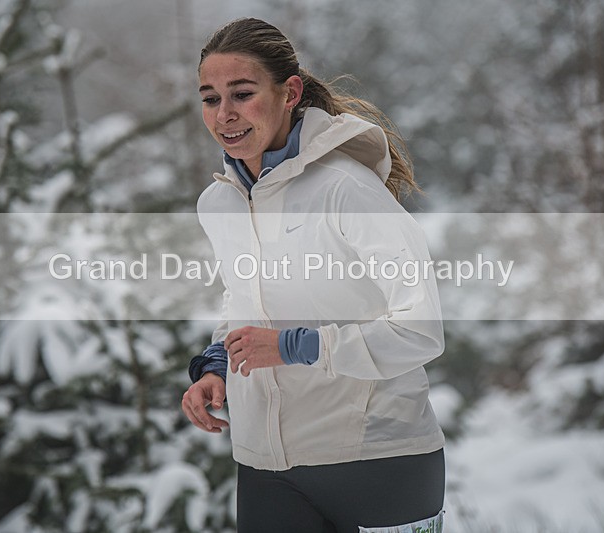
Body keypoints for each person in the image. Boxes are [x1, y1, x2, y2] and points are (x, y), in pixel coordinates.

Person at [181, 17, 446, 533]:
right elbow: (243, 303)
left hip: (379, 458)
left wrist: (293, 346)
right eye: (210, 98)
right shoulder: (219, 203)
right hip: (266, 467)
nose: (225, 114)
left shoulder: (346, 189)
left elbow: (421, 330)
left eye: (242, 93)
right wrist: (217, 366)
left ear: (290, 92)